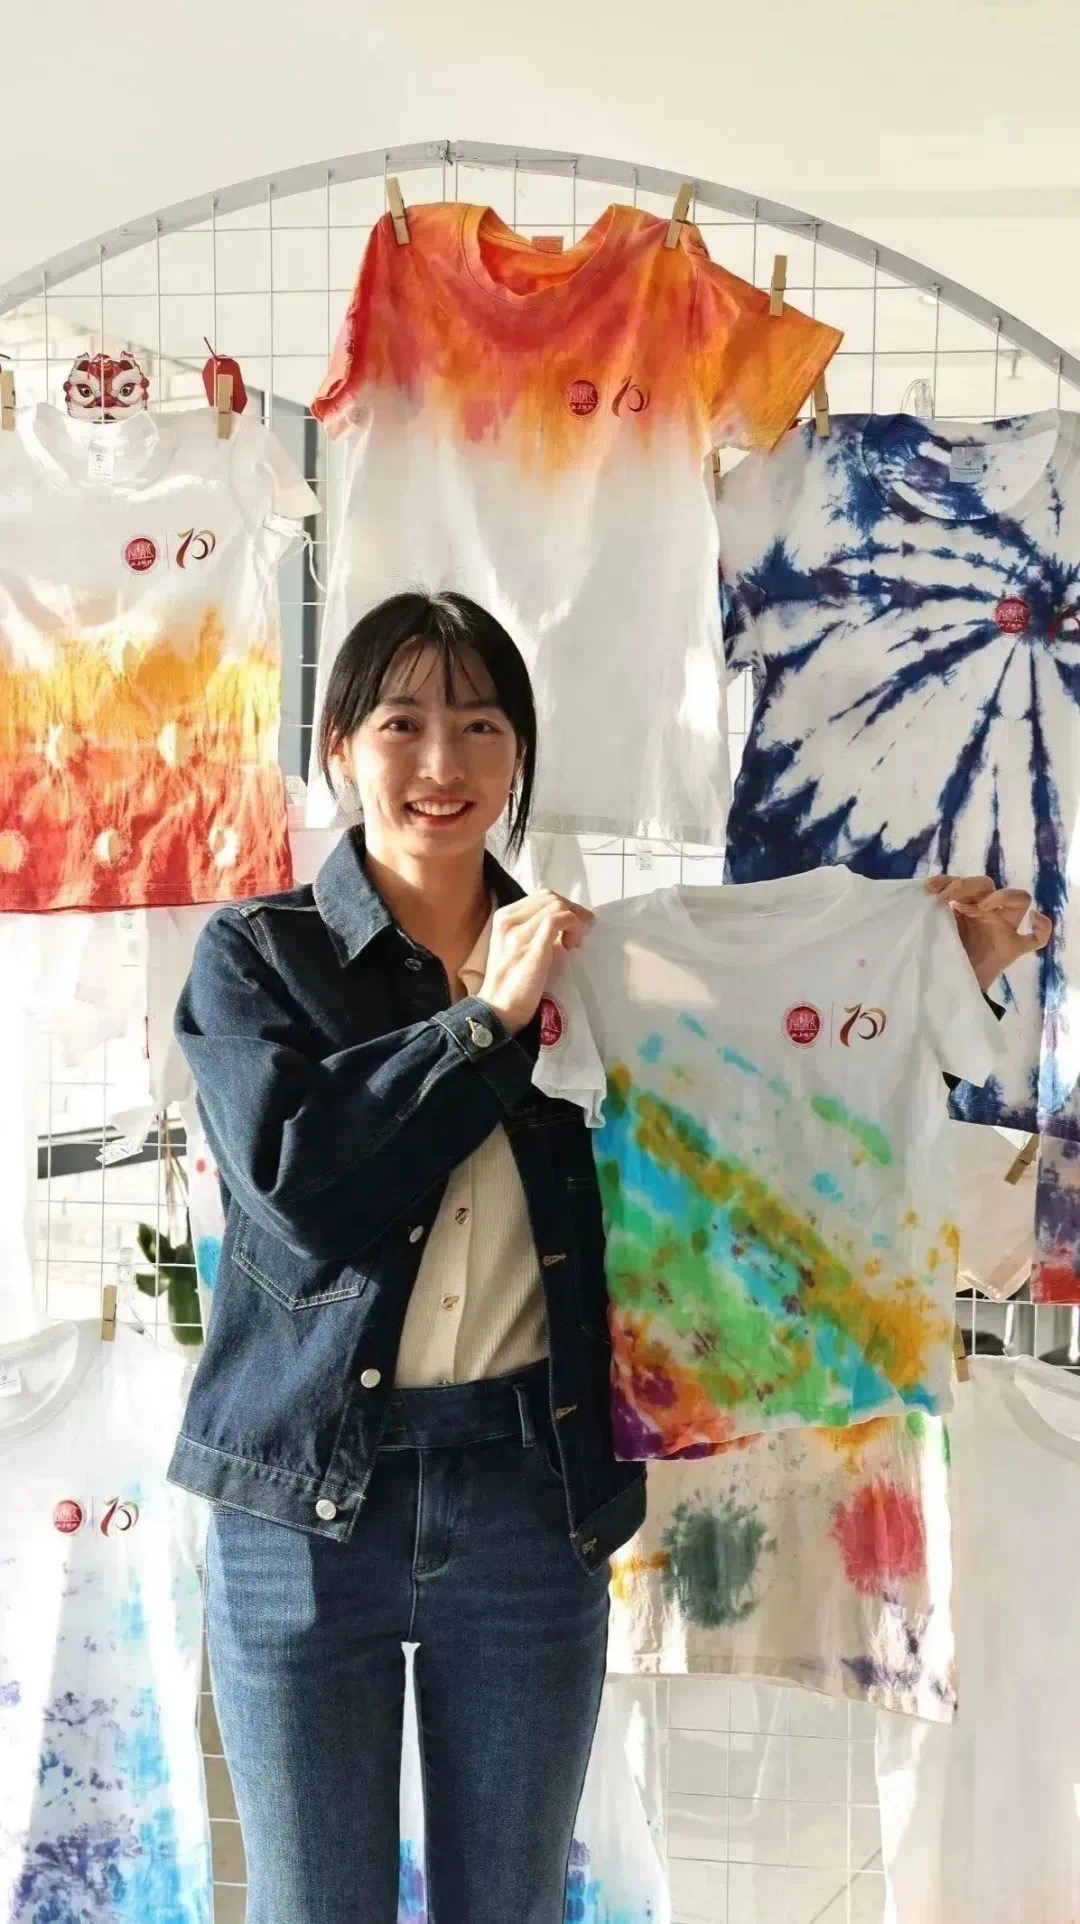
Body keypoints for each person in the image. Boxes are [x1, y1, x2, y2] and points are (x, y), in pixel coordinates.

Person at [168, 590, 1050, 1924]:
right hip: (302, 1497)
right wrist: (482, 1021)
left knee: (513, 1901)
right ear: (339, 744)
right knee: (313, 1905)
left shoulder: (598, 967)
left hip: (527, 1494)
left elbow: (764, 1110)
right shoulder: (258, 957)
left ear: (520, 753)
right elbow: (300, 1194)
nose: (444, 762)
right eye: (403, 724)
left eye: (481, 725)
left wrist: (933, 972)